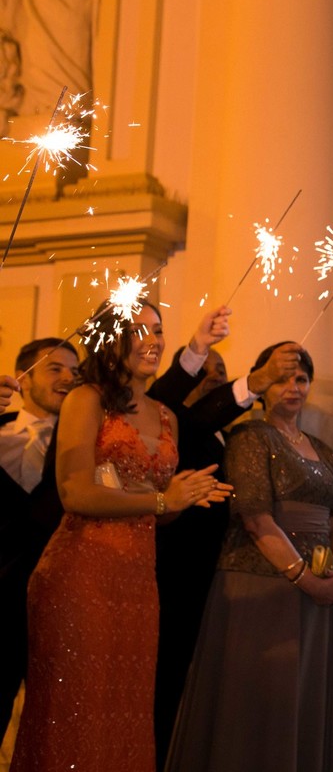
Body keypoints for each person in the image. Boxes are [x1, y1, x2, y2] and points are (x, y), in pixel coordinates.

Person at [12, 302, 230, 771]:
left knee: (125, 711)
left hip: (137, 580)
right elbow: (75, 492)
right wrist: (161, 502)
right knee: (75, 711)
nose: (153, 339)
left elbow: (156, 511)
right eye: (139, 330)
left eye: (158, 329)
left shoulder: (167, 416)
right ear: (111, 340)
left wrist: (182, 498)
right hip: (79, 574)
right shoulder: (86, 398)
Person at [167, 343, 333, 772]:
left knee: (301, 697)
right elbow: (254, 518)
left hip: (320, 590)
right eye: (283, 377)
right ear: (263, 385)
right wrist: (304, 578)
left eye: (301, 378)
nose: (293, 386)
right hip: (263, 584)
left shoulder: (322, 448)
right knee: (259, 703)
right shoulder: (249, 436)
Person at [149, 309, 303, 770]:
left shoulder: (224, 432)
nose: (217, 381)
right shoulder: (172, 420)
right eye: (207, 373)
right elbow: (187, 416)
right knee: (161, 681)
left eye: (223, 374)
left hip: (208, 572)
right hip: (170, 568)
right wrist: (254, 380)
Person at [0, 339, 79, 732]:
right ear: (23, 380)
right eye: (55, 369)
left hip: (63, 597)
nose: (68, 378)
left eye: (74, 371)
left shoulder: (86, 445)